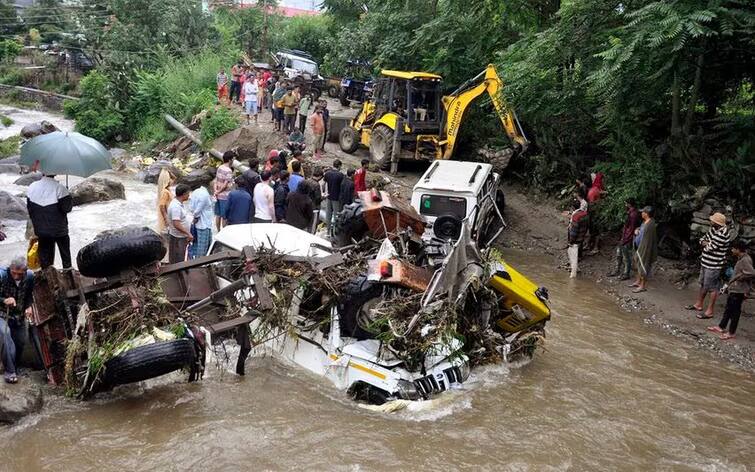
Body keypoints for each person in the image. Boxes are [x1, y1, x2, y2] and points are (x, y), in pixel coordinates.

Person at [686, 212, 732, 318]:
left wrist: (706, 244)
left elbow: (709, 248)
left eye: (712, 220)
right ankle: (699, 304)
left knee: (712, 287)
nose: (710, 221)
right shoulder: (713, 229)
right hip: (705, 261)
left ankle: (710, 311)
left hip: (714, 265)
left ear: (716, 223)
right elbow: (702, 240)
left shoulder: (723, 234)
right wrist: (706, 243)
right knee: (703, 284)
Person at [707, 240, 753, 340]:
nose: (732, 250)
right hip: (735, 289)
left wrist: (740, 278)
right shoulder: (741, 258)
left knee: (735, 312)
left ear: (738, 249)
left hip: (739, 290)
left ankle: (731, 333)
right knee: (728, 309)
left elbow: (751, 273)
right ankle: (721, 326)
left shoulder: (745, 260)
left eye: (733, 249)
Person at [27, 174, 73, 269]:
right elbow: (67, 208)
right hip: (59, 230)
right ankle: (68, 274)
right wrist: (68, 196)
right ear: (55, 173)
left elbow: (30, 209)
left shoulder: (32, 187)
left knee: (45, 261)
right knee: (65, 258)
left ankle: (47, 278)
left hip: (41, 230)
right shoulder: (60, 188)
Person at [0, 258, 34, 384]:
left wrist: (29, 306)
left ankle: (15, 367)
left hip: (18, 315)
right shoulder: (2, 275)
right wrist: (4, 300)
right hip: (2, 314)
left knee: (20, 341)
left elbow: (29, 295)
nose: (16, 276)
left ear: (25, 271)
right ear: (10, 269)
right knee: (5, 334)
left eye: (19, 274)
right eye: (13, 273)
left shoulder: (30, 277)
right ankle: (9, 371)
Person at [608, 198, 640, 280]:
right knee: (619, 254)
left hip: (627, 238)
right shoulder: (631, 212)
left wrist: (625, 239)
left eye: (626, 203)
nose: (625, 205)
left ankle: (626, 273)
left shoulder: (633, 214)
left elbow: (631, 229)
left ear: (629, 204)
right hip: (624, 236)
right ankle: (617, 270)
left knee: (626, 256)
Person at [631, 206, 658, 293]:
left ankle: (642, 286)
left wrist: (642, 249)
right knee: (638, 264)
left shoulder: (650, 225)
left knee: (644, 266)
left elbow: (649, 241)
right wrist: (637, 230)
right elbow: (641, 229)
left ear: (646, 214)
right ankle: (638, 281)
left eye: (643, 212)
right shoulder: (645, 222)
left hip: (645, 249)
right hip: (640, 247)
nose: (641, 213)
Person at [167, 184, 193, 264]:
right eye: (188, 194)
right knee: (178, 259)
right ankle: (176, 274)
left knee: (177, 257)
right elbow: (176, 224)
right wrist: (188, 233)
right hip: (178, 238)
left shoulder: (178, 204)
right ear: (184, 194)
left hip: (178, 236)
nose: (189, 196)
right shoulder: (176, 207)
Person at [188, 182, 213, 259]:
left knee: (197, 244)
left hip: (199, 223)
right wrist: (196, 217)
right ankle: (201, 262)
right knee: (203, 247)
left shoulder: (195, 192)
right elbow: (198, 210)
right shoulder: (204, 195)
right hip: (203, 224)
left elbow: (191, 207)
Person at [566, 198, 589, 278]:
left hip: (575, 239)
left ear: (572, 207)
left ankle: (573, 275)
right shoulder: (585, 214)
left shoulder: (576, 216)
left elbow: (574, 231)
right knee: (573, 253)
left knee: (573, 256)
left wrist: (571, 241)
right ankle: (576, 269)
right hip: (581, 237)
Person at [213, 151, 235, 231]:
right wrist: (219, 191)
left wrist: (216, 191)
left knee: (218, 215)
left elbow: (216, 180)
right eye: (233, 159)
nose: (233, 160)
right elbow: (225, 185)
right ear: (229, 160)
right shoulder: (229, 171)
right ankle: (224, 232)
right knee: (224, 216)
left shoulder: (220, 167)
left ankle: (218, 231)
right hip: (225, 196)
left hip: (217, 195)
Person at [586, 172, 605, 253]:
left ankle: (594, 247)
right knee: (594, 230)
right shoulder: (599, 188)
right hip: (597, 212)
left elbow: (591, 203)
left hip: (593, 213)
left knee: (594, 230)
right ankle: (591, 245)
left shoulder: (593, 190)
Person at [323, 160, 344, 234]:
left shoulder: (327, 174)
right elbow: (342, 187)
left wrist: (324, 193)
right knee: (336, 215)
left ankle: (328, 230)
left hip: (328, 197)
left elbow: (324, 184)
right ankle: (335, 231)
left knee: (328, 214)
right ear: (339, 166)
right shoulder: (341, 175)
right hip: (336, 198)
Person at [156, 169, 174, 236]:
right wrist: (166, 219)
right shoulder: (165, 192)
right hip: (167, 221)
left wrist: (168, 171)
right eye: (170, 179)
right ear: (167, 180)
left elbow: (175, 178)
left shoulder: (165, 190)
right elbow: (162, 206)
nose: (172, 181)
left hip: (167, 219)